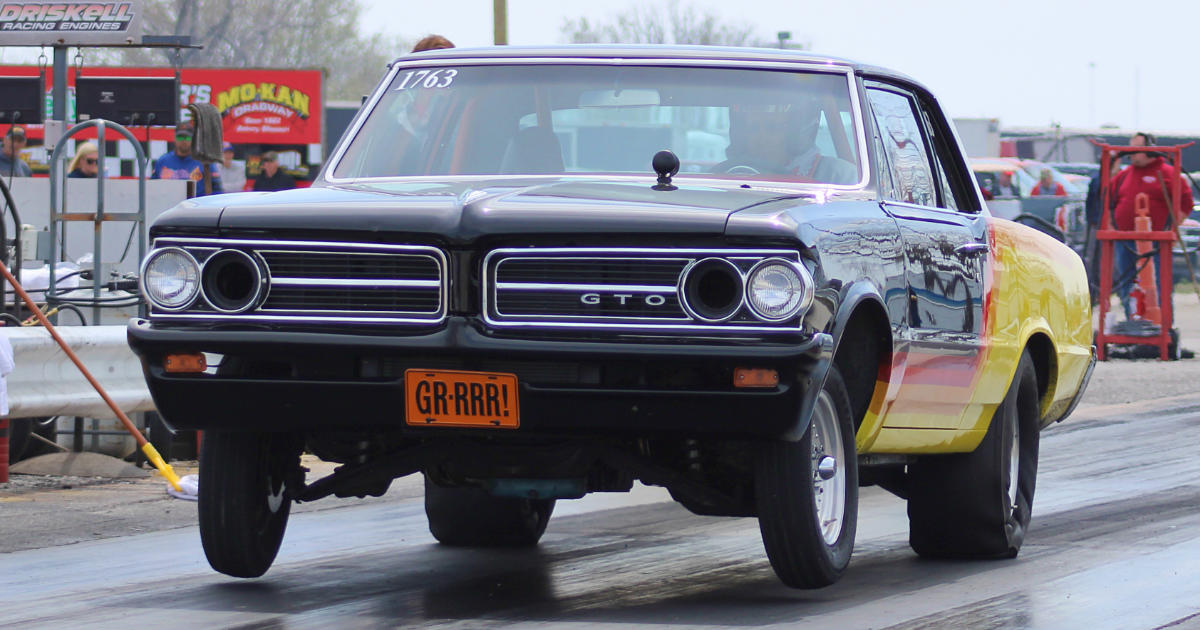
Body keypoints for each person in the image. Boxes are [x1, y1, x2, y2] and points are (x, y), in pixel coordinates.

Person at [1109, 132, 1194, 318]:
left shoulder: (1169, 174)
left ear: (1151, 151)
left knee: (1158, 287)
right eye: (1130, 149)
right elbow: (1108, 201)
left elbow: (1186, 204)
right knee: (1127, 286)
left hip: (1156, 244)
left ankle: (1162, 327)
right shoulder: (1123, 176)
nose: (1131, 154)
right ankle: (1132, 322)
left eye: (1136, 150)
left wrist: (1171, 229)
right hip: (1126, 242)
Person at [714, 99, 858, 184]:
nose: (761, 136)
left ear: (791, 133)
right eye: (754, 128)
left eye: (772, 127)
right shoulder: (722, 176)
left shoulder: (838, 176)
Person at [151, 120, 223, 195]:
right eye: (180, 137)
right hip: (169, 204)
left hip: (195, 205)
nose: (184, 141)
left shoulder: (205, 162)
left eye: (187, 138)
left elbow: (217, 191)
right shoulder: (163, 161)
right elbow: (152, 188)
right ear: (174, 138)